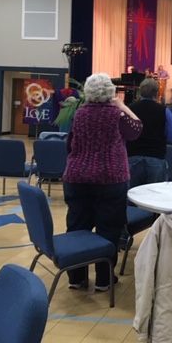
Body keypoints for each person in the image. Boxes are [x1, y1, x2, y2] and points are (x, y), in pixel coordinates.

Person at [62, 73, 142, 291]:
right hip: (110, 179)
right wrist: (122, 106)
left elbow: (69, 145)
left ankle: (76, 278)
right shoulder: (117, 115)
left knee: (77, 227)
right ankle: (103, 280)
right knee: (109, 229)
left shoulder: (80, 114)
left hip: (77, 178)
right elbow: (137, 129)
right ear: (111, 93)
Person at [127, 78, 172, 188]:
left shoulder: (130, 109)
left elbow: (124, 135)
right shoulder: (163, 110)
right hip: (156, 158)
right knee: (154, 195)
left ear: (140, 92)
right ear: (156, 93)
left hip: (133, 157)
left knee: (131, 195)